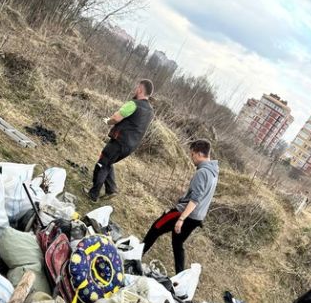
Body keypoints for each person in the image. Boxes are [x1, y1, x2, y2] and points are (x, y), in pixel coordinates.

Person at [142, 139, 219, 274]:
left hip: (185, 213)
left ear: (200, 154)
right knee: (177, 244)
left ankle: (135, 256)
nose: (192, 158)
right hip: (197, 218)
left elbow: (195, 199)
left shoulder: (202, 173)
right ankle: (180, 277)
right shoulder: (214, 171)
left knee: (156, 228)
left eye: (193, 155)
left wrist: (181, 219)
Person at [83, 79, 154, 203]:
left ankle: (93, 195)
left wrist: (108, 121)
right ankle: (111, 190)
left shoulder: (134, 104)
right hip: (131, 146)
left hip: (120, 141)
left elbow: (116, 117)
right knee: (108, 162)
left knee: (102, 164)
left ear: (140, 89)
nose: (135, 89)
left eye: (137, 87)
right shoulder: (150, 111)